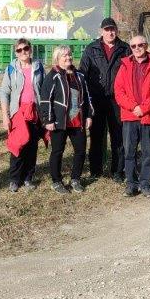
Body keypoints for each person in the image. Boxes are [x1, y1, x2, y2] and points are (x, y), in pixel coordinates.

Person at [113, 35, 150, 198]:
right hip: (130, 116)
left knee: (147, 153)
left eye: (140, 45)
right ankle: (131, 184)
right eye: (133, 46)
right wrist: (133, 107)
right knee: (129, 152)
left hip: (149, 116)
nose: (137, 48)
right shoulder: (124, 66)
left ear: (146, 46)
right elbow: (119, 91)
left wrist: (143, 108)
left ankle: (145, 184)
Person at [80, 17, 131, 182]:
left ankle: (118, 171)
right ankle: (96, 170)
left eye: (113, 29)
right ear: (101, 31)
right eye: (107, 30)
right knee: (96, 135)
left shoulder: (125, 49)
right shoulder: (91, 49)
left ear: (117, 30)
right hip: (97, 98)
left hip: (117, 99)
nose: (110, 32)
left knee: (118, 135)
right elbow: (83, 73)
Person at [40, 45, 94, 194]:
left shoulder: (80, 76)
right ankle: (56, 181)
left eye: (69, 55)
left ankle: (76, 179)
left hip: (77, 121)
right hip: (59, 122)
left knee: (80, 151)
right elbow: (45, 100)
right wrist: (48, 120)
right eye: (64, 55)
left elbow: (87, 97)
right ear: (57, 59)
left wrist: (89, 115)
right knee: (57, 151)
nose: (68, 57)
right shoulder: (53, 76)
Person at [0, 38, 45, 192]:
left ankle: (28, 178)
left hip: (34, 111)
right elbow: (4, 92)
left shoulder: (38, 67)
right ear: (16, 53)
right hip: (18, 112)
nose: (23, 52)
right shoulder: (11, 69)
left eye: (25, 48)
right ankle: (14, 179)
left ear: (30, 49)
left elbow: (44, 90)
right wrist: (5, 116)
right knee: (18, 145)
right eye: (19, 50)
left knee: (32, 146)